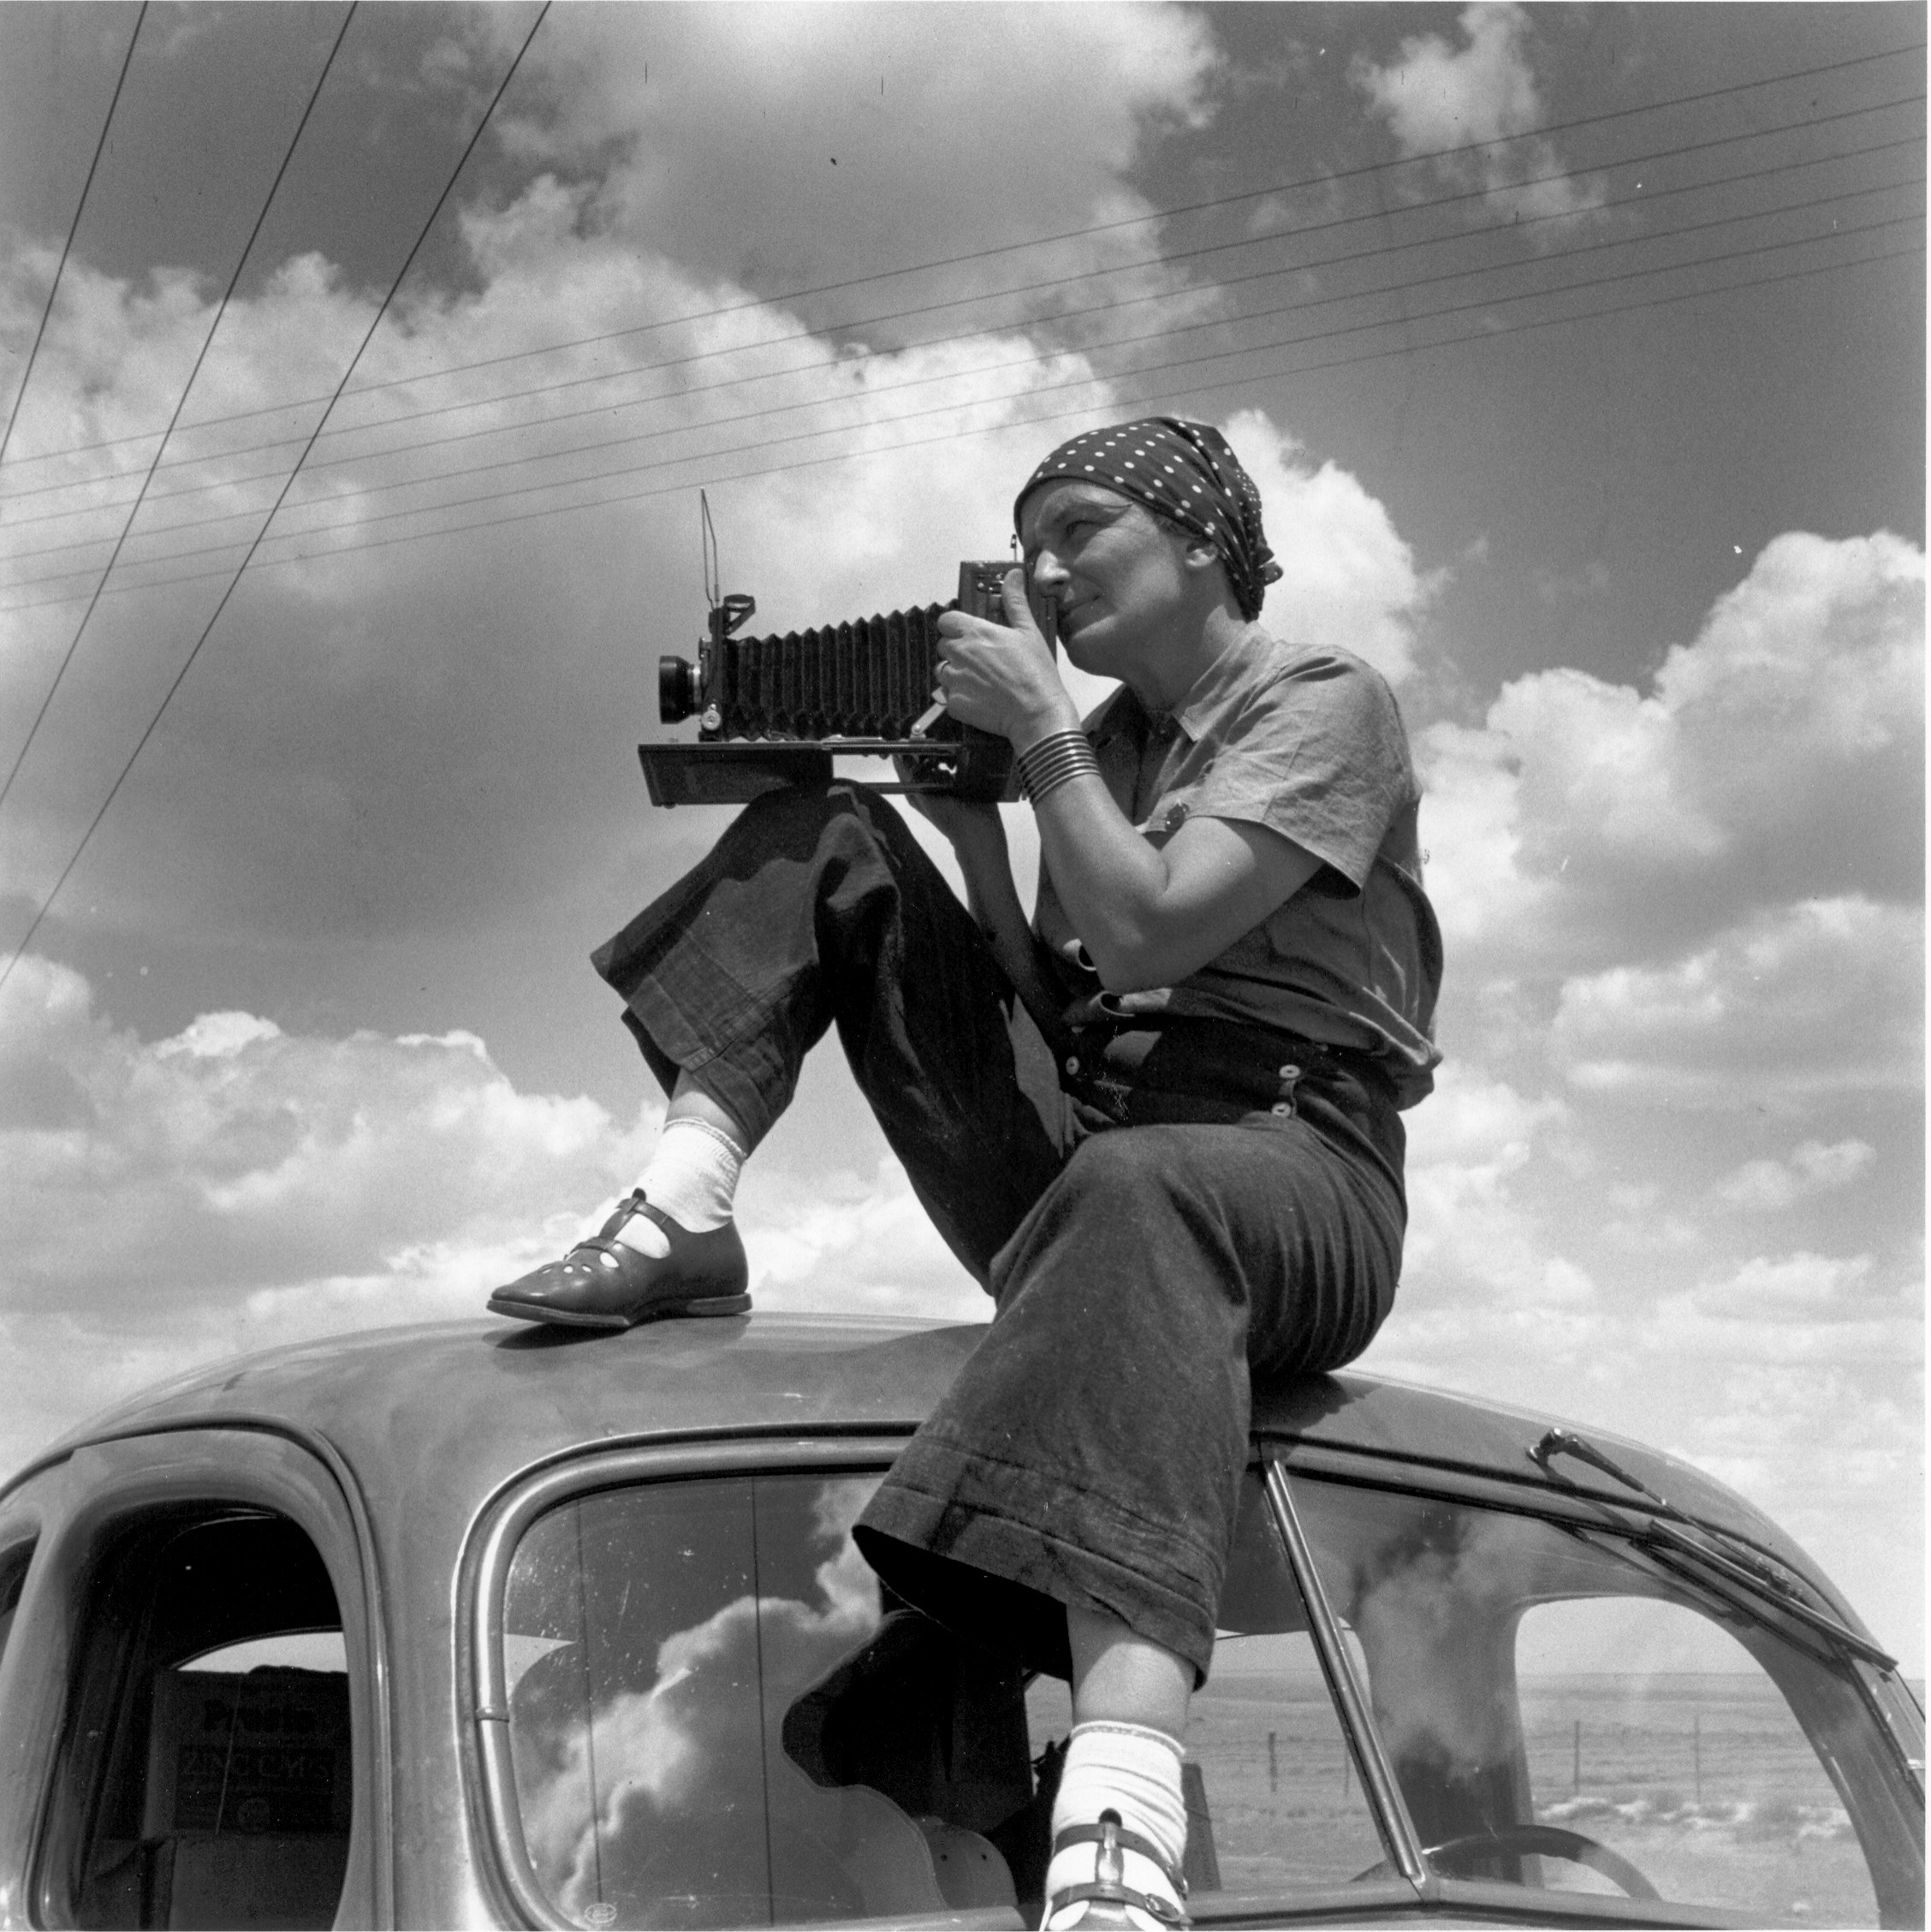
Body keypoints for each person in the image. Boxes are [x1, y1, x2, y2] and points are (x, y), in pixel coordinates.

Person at [490, 418, 1441, 1929]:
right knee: (835, 831)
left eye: (1082, 531)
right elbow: (1071, 988)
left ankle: (1118, 1821)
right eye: (1032, 543)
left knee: (1147, 1198)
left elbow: (1149, 931)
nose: (1050, 572)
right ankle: (687, 1194)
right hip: (1106, 1147)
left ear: (1202, 541)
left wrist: (1044, 739)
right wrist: (973, 840)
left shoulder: (1324, 700)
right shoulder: (1112, 747)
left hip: (1289, 1162)